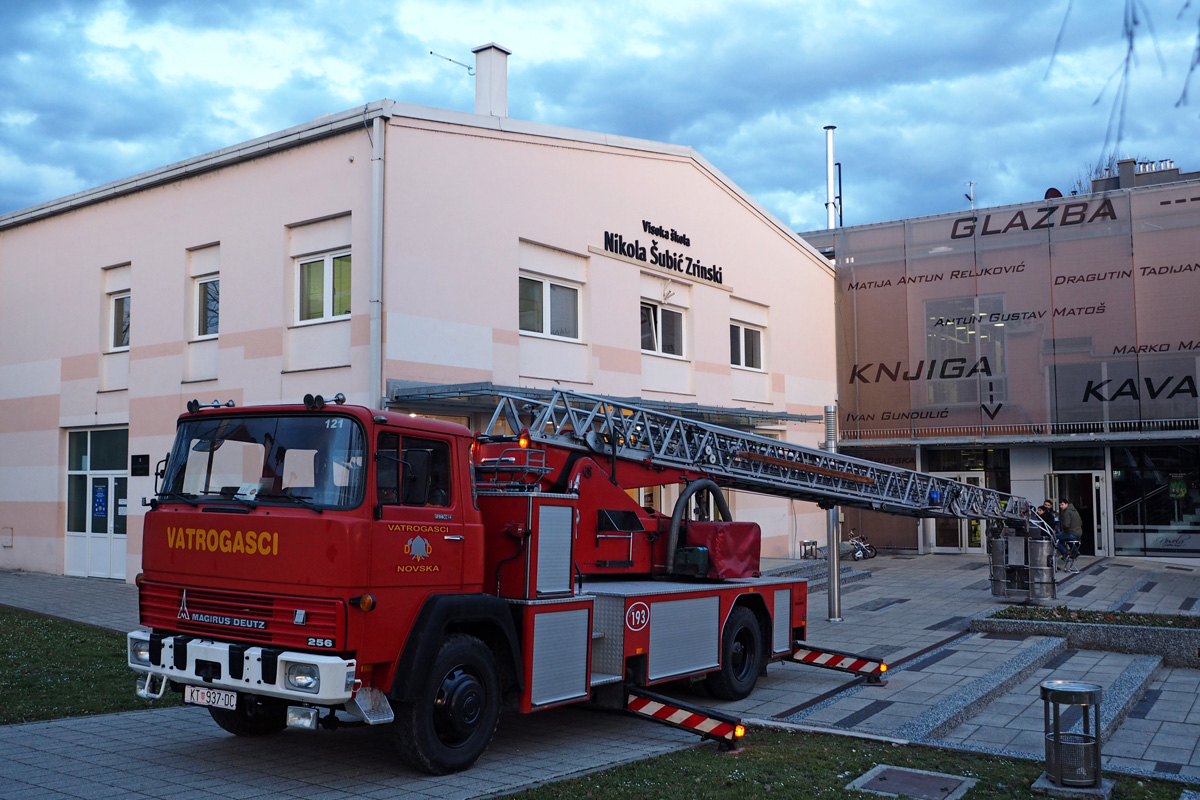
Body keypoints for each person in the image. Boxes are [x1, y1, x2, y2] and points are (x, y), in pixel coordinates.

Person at [1057, 499, 1083, 568]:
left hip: (1071, 533)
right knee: (1063, 538)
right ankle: (1075, 551)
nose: (1061, 506)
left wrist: (1061, 525)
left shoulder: (1067, 512)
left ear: (1066, 504)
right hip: (1078, 533)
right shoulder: (1074, 511)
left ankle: (1064, 552)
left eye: (1062, 504)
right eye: (1060, 505)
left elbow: (1066, 525)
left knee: (1054, 537)